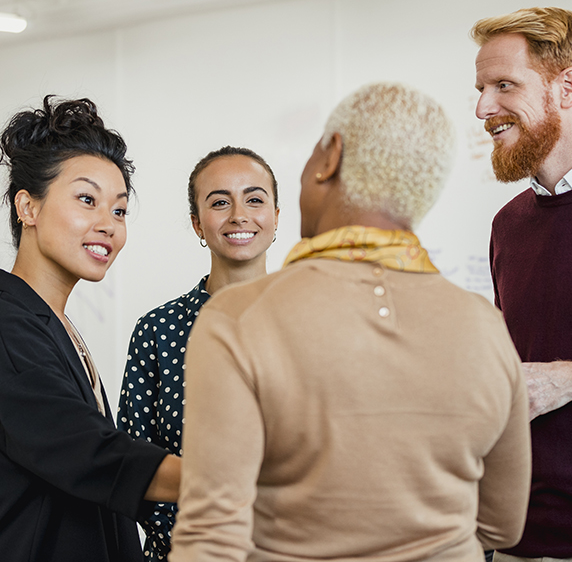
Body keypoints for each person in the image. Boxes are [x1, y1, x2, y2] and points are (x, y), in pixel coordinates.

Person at [170, 82, 532, 562]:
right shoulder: (484, 326)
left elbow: (210, 539)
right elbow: (501, 525)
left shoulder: (238, 318)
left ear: (330, 156)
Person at [0, 96, 181, 562]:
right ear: (28, 207)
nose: (108, 225)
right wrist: (244, 477)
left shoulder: (54, 323)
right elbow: (88, 452)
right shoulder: (6, 323)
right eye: (87, 200)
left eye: (119, 211)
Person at [472, 7, 572, 561]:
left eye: (504, 85)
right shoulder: (509, 225)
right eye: (480, 88)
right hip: (512, 538)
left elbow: (554, 380)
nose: (482, 108)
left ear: (567, 87)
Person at [117, 145, 279, 560]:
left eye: (255, 199)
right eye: (220, 202)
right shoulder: (158, 331)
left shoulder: (315, 321)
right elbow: (132, 464)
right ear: (197, 224)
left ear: (276, 217)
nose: (239, 215)